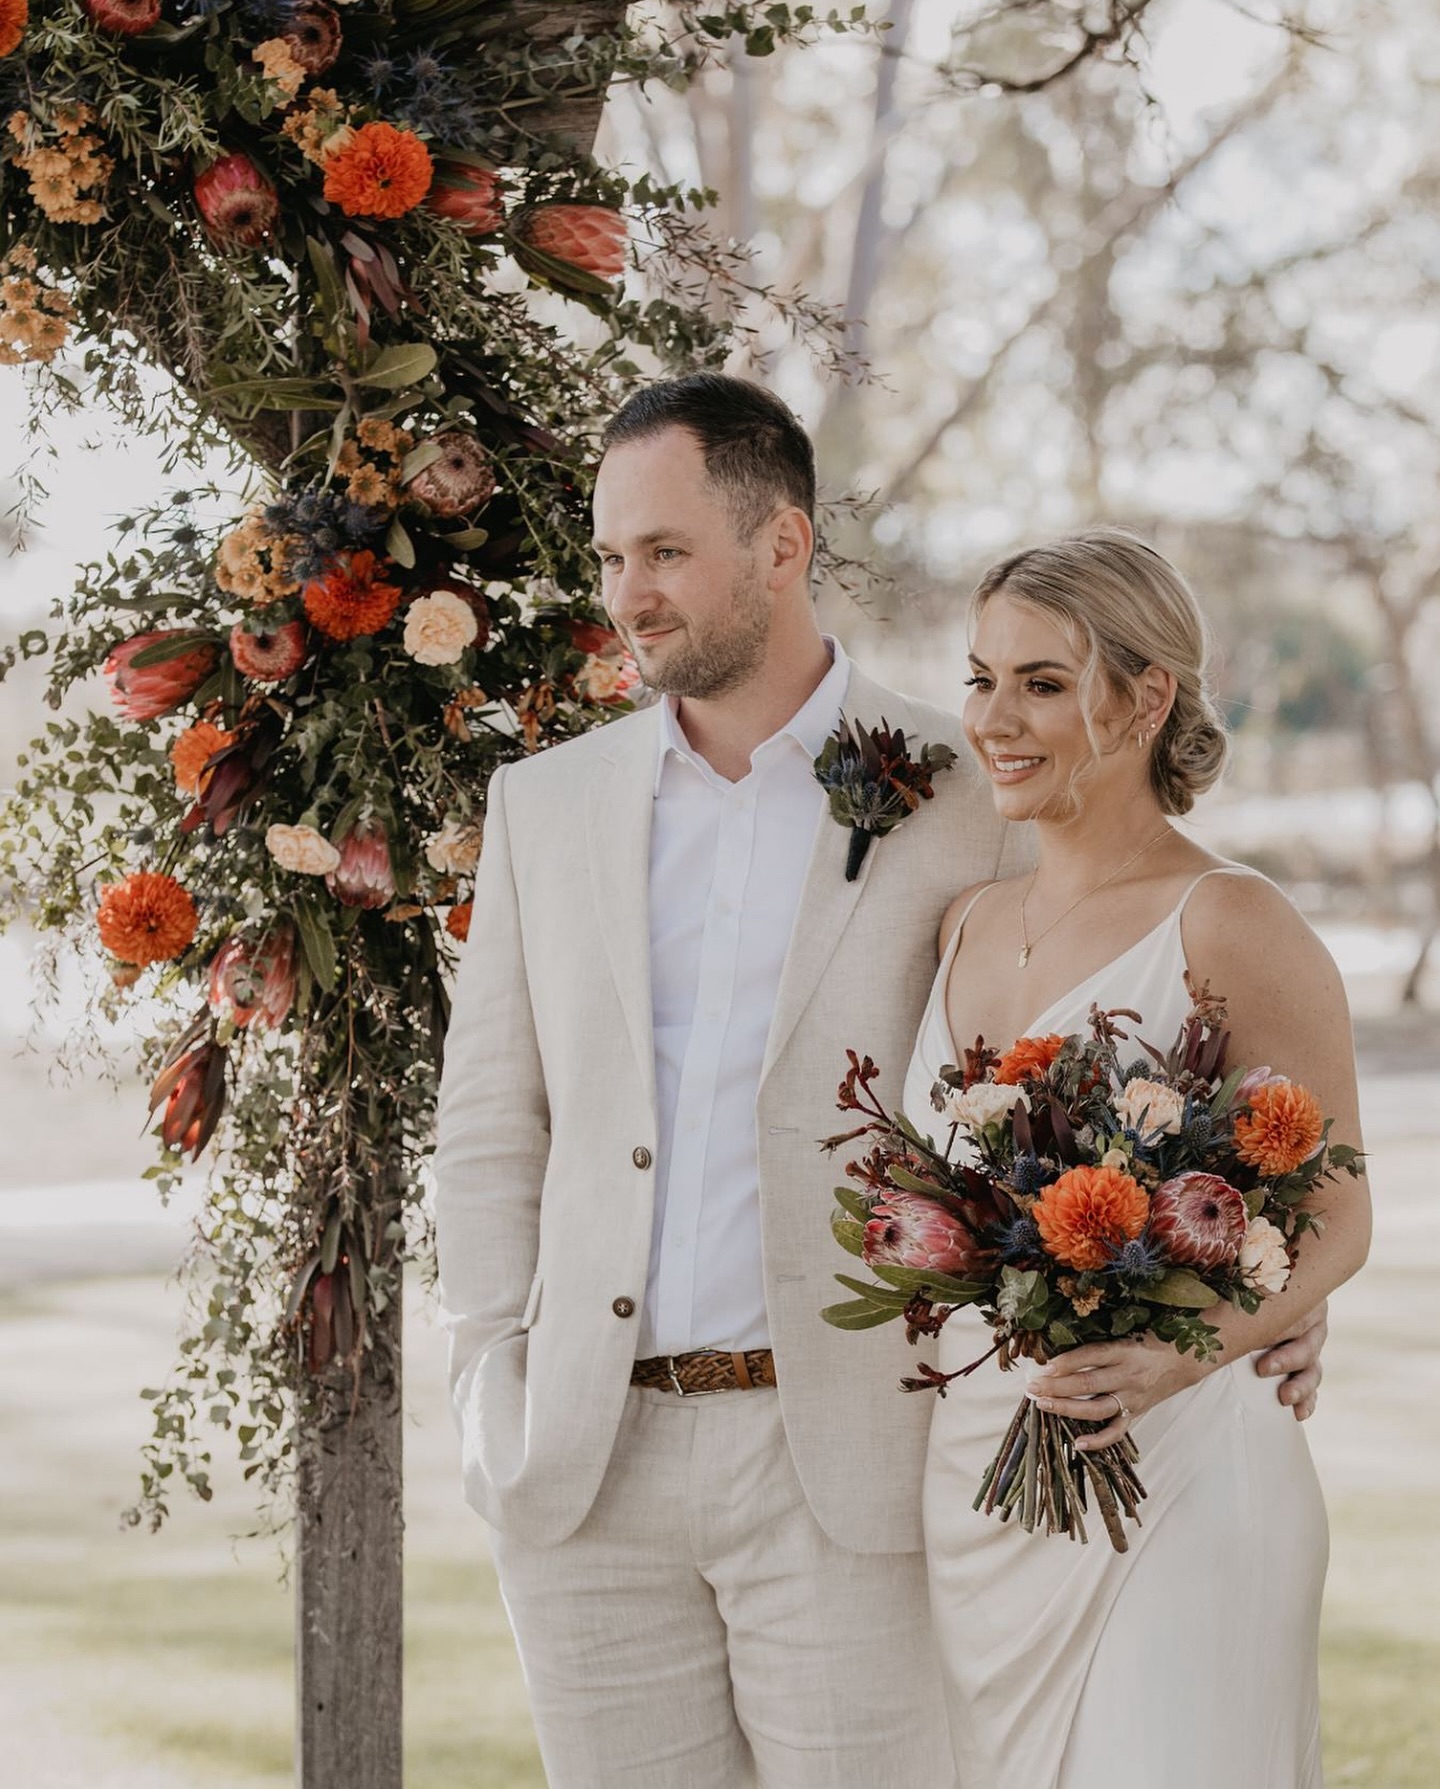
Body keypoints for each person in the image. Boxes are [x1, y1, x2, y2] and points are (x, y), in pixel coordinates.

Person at [433, 376, 1327, 1788]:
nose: (629, 594)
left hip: (850, 1464)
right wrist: (495, 1378)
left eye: (663, 552)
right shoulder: (544, 806)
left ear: (782, 546)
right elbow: (489, 1126)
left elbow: (1107, 1039)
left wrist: (1243, 1290)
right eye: (611, 556)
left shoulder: (967, 786)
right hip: (586, 1468)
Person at [905, 528, 1371, 1788]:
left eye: (1042, 683)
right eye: (981, 676)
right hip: (979, 1488)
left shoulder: (1228, 918)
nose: (993, 718)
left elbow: (1337, 1218)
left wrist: (1175, 1359)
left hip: (1184, 1481)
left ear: (1146, 694)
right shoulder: (963, 921)